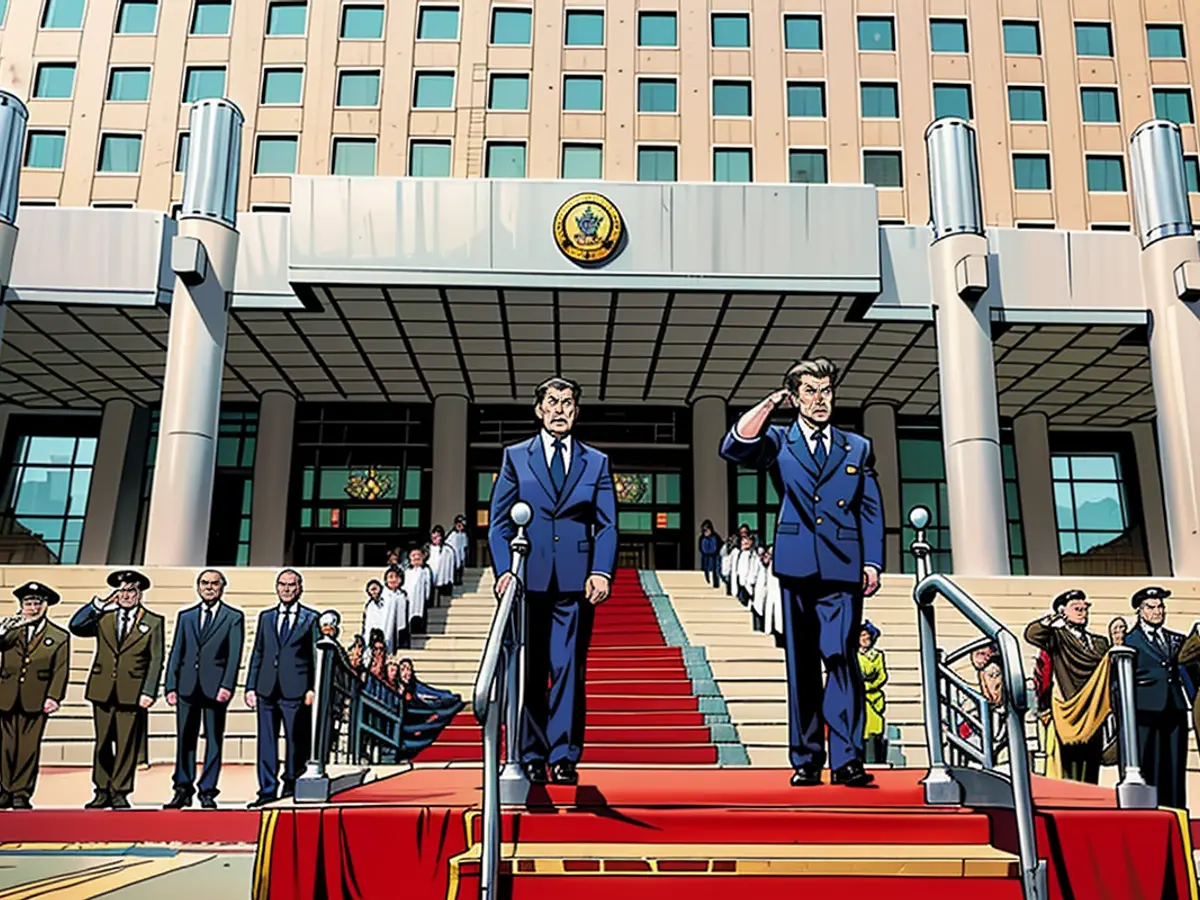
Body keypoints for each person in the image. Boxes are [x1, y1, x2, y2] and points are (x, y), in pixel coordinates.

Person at [719, 358, 884, 788]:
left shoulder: (856, 446)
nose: (820, 400)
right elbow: (733, 447)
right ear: (795, 397)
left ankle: (847, 759)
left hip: (843, 567)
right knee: (803, 666)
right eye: (810, 392)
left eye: (826, 391)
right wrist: (771, 404)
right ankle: (807, 758)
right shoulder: (779, 440)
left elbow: (869, 507)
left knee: (840, 657)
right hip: (796, 565)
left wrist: (873, 561)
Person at [488, 375, 617, 785]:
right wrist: (505, 570)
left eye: (568, 403)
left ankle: (563, 755)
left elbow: (608, 524)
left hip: (575, 583)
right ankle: (529, 754)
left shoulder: (595, 462)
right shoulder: (516, 457)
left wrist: (601, 570)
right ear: (539, 409)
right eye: (553, 402)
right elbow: (498, 524)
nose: (560, 410)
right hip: (528, 581)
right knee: (531, 670)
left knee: (568, 670)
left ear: (576, 411)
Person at [69, 569, 165, 810]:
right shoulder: (104, 617)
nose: (126, 595)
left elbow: (156, 658)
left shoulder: (153, 621)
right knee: (102, 742)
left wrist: (149, 691)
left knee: (125, 744)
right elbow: (77, 626)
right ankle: (101, 790)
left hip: (132, 691)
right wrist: (100, 604)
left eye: (131, 590)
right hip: (102, 689)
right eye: (121, 590)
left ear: (140, 593)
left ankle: (120, 791)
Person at [163, 569, 244, 810]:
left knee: (213, 740)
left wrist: (227, 685)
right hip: (187, 686)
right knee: (184, 739)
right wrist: (170, 685)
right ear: (198, 587)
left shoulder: (233, 617)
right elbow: (177, 651)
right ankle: (182, 789)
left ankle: (207, 791)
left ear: (222, 587)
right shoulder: (186, 616)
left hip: (215, 688)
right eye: (205, 583)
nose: (209, 587)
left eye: (214, 584)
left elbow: (234, 656)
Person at [245, 568, 318, 808]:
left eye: (291, 585)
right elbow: (258, 651)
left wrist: (311, 688)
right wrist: (250, 686)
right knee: (266, 742)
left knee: (295, 741)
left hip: (296, 689)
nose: (286, 589)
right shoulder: (266, 617)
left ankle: (292, 784)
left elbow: (314, 657)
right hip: (266, 688)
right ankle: (266, 790)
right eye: (282, 585)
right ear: (277, 588)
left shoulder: (311, 618)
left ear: (300, 588)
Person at [1024, 589, 1111, 784]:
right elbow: (1032, 634)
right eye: (1076, 608)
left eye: (1084, 608)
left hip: (1095, 709)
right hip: (1069, 710)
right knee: (1070, 766)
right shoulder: (1057, 637)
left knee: (1092, 765)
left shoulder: (1099, 642)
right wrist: (1053, 619)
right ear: (1063, 612)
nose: (1082, 612)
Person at [0, 582, 69, 809]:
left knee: (28, 748)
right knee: (5, 747)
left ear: (45, 605)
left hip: (36, 697)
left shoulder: (58, 635)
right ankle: (4, 790)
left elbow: (61, 669)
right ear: (21, 606)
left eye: (37, 603)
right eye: (28, 603)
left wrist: (54, 696)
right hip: (7, 695)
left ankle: (21, 792)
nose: (33, 608)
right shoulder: (9, 631)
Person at [1123, 586, 1190, 809]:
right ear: (1140, 611)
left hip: (1174, 709)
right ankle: (1150, 816)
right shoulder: (1129, 641)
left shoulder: (1175, 639)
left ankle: (1176, 814)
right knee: (1148, 766)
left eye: (1161, 606)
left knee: (1174, 769)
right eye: (1151, 607)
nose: (1157, 611)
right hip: (1145, 710)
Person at [396, 658, 465, 760]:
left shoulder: (415, 686)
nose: (407, 673)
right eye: (403, 669)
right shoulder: (397, 686)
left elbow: (433, 693)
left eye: (409, 669)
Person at [858, 621, 888, 764]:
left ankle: (876, 759)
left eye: (867, 636)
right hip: (858, 698)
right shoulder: (854, 656)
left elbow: (882, 676)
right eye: (862, 635)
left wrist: (870, 686)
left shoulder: (878, 655)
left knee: (875, 728)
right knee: (860, 729)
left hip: (874, 697)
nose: (865, 639)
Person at [362, 577, 400, 654]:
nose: (374, 592)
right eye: (371, 590)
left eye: (375, 589)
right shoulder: (369, 605)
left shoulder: (387, 601)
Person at [381, 566, 410, 650]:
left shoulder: (403, 595)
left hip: (399, 627)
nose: (393, 580)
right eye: (390, 577)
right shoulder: (382, 594)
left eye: (397, 577)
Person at [406, 548, 432, 635]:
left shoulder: (425, 570)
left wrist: (427, 597)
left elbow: (428, 585)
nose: (416, 557)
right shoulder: (407, 571)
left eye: (418, 556)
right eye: (413, 556)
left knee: (419, 615)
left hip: (420, 599)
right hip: (408, 598)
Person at [427, 527, 455, 605]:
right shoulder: (427, 548)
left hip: (442, 576)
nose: (435, 539)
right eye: (433, 537)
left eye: (437, 536)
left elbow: (450, 565)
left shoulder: (447, 550)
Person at [447, 515, 470, 587]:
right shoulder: (452, 535)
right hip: (454, 555)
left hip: (461, 554)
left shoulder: (463, 534)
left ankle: (459, 580)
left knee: (460, 568)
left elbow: (464, 545)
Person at [698, 521, 721, 588]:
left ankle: (715, 584)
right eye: (704, 529)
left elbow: (718, 547)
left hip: (714, 558)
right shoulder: (702, 538)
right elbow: (701, 548)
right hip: (705, 558)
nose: (706, 531)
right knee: (706, 571)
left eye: (707, 529)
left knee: (715, 571)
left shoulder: (715, 537)